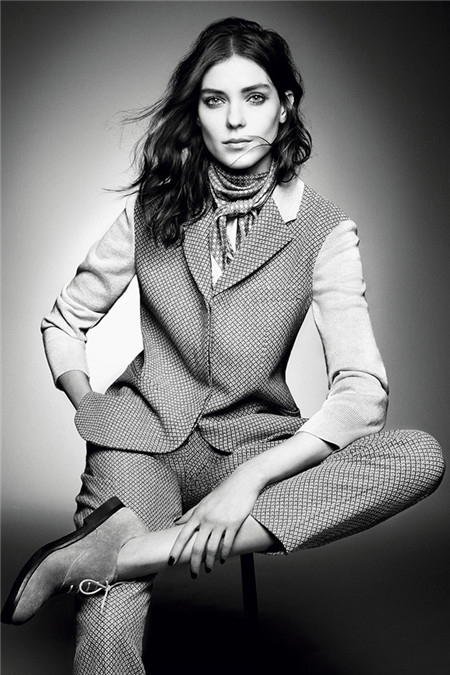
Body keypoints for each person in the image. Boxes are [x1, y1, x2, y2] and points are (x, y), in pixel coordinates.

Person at [1, 16, 445, 675]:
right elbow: (64, 322)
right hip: (140, 442)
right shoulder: (151, 210)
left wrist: (251, 479)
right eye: (215, 101)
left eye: (254, 97)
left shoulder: (324, 231)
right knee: (109, 618)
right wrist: (89, 403)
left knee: (419, 456)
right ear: (198, 113)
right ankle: (113, 559)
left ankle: (127, 551)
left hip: (252, 446)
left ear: (284, 108)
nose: (236, 120)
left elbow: (361, 394)